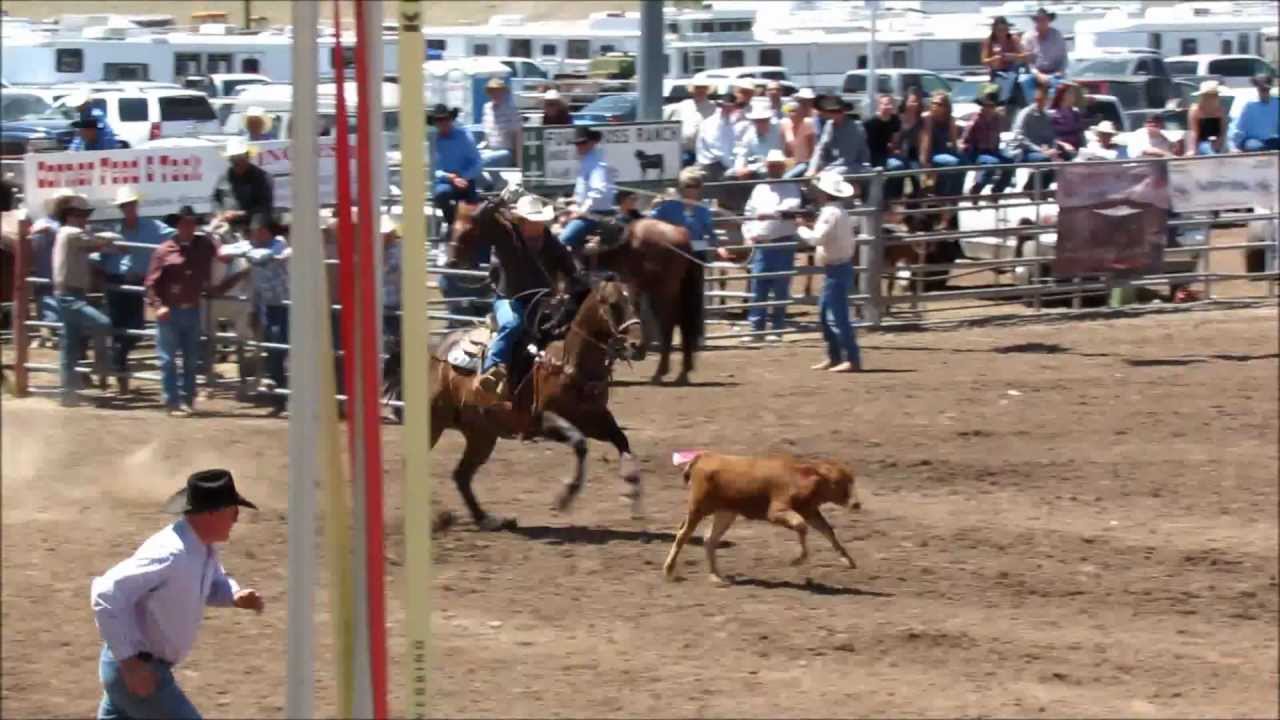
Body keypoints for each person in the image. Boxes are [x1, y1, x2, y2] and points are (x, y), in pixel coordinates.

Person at [90, 468, 264, 720]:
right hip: (140, 670)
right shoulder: (171, 554)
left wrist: (233, 594)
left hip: (134, 669)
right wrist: (130, 665)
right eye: (233, 510)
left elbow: (211, 582)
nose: (237, 518)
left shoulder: (203, 547)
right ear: (212, 513)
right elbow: (106, 593)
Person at [475, 193, 581, 402]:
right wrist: (499, 200)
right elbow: (480, 217)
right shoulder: (506, 236)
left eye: (540, 220)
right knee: (513, 324)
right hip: (509, 299)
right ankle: (491, 371)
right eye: (534, 220)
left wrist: (575, 287)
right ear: (522, 222)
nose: (538, 225)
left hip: (542, 303)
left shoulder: (550, 241)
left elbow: (569, 268)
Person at [145, 205, 233, 418]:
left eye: (192, 223)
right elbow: (150, 284)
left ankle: (186, 400)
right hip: (170, 310)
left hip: (192, 308)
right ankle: (173, 401)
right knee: (168, 359)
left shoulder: (204, 244)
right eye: (185, 223)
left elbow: (223, 256)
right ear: (177, 225)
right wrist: (158, 305)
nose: (189, 227)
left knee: (191, 358)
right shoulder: (164, 250)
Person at [95, 186, 174, 395]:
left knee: (134, 329)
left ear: (136, 205)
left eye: (130, 204)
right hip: (116, 282)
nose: (128, 208)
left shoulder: (153, 228)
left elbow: (174, 236)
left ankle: (116, 362)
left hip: (135, 282)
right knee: (119, 329)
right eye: (125, 205)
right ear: (121, 208)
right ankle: (121, 378)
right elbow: (98, 256)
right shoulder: (112, 232)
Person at [52, 193, 122, 407]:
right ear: (71, 215)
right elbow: (95, 241)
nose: (85, 219)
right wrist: (111, 237)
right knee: (102, 323)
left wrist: (103, 242)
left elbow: (92, 244)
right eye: (82, 215)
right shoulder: (71, 233)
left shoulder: (67, 234)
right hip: (70, 295)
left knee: (69, 346)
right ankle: (101, 365)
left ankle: (68, 392)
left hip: (69, 294)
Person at [220, 213, 291, 414]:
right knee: (272, 347)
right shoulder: (250, 245)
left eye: (259, 231)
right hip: (265, 306)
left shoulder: (279, 243)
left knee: (278, 347)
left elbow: (264, 256)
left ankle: (280, 392)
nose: (256, 235)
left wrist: (245, 252)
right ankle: (278, 396)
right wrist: (241, 250)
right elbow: (223, 251)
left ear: (268, 232)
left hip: (283, 304)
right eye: (254, 232)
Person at [797, 172, 862, 373]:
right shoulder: (838, 212)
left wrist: (801, 228)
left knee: (836, 315)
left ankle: (850, 358)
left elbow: (817, 239)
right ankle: (836, 356)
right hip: (837, 267)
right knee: (828, 314)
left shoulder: (830, 213)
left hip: (836, 268)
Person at [742, 149, 802, 343]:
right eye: (771, 165)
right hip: (762, 242)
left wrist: (769, 214)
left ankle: (776, 328)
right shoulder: (759, 188)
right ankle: (756, 328)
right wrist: (749, 233)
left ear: (783, 167)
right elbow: (748, 212)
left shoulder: (791, 186)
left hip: (782, 240)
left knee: (779, 286)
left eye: (777, 165)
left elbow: (791, 207)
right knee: (759, 286)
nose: (773, 168)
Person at [558, 126, 616, 253]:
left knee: (563, 240)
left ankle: (574, 270)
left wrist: (581, 211)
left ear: (592, 142)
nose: (579, 146)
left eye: (583, 143)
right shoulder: (587, 161)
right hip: (587, 213)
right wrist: (570, 200)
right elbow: (584, 191)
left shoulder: (596, 163)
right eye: (577, 143)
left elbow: (598, 191)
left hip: (594, 215)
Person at [428, 103, 482, 231]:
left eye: (445, 119)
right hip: (445, 183)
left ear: (450, 119)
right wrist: (450, 177)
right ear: (435, 123)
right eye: (438, 120)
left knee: (476, 215)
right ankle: (453, 226)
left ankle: (467, 230)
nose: (442, 123)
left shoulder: (464, 136)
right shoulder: (433, 140)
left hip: (466, 181)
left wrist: (463, 176)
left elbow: (477, 163)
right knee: (441, 194)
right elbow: (434, 169)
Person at [1011, 83, 1067, 194]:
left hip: (1044, 151)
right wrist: (1039, 150)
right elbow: (1019, 137)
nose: (1045, 101)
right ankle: (1029, 188)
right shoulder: (1025, 113)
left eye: (1047, 99)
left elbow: (1052, 137)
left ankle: (1043, 189)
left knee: (1063, 159)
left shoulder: (1047, 116)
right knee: (1045, 160)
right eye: (1043, 98)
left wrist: (1054, 149)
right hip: (1026, 151)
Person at [960, 89, 1014, 199]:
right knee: (991, 163)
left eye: (992, 106)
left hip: (994, 151)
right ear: (982, 106)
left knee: (1010, 163)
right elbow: (965, 140)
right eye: (987, 106)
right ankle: (976, 190)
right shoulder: (975, 120)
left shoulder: (997, 119)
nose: (989, 109)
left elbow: (1006, 128)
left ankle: (996, 192)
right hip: (977, 152)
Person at [214, 138, 274, 228]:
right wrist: (219, 214)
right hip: (227, 227)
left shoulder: (262, 178)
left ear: (247, 157)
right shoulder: (226, 176)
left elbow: (264, 208)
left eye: (239, 158)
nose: (236, 162)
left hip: (254, 229)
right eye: (233, 159)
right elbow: (216, 199)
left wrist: (239, 214)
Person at [807, 95, 871, 179]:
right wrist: (811, 169)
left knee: (826, 177)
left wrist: (826, 171)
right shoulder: (829, 125)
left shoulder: (855, 127)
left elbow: (847, 159)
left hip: (856, 167)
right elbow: (820, 149)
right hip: (834, 167)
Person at [919, 90, 964, 199]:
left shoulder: (950, 119)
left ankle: (955, 196)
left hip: (944, 151)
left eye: (939, 104)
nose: (935, 106)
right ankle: (946, 195)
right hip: (933, 153)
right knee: (954, 163)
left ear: (946, 107)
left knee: (964, 163)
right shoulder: (928, 118)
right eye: (933, 103)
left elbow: (953, 143)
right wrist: (925, 162)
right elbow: (926, 141)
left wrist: (959, 151)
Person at [1018, 8, 1067, 104]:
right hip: (1034, 73)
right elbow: (1028, 61)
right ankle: (1033, 108)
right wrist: (1038, 74)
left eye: (1044, 20)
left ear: (1049, 21)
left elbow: (1064, 57)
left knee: (1060, 87)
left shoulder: (1057, 35)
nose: (1042, 23)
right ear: (1035, 21)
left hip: (1054, 73)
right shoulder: (1028, 37)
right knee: (1024, 81)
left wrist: (1060, 71)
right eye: (1039, 20)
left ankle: (1053, 110)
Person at [695, 93, 745, 181]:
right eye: (724, 107)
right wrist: (732, 168)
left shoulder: (731, 123)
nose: (727, 109)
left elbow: (735, 146)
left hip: (726, 164)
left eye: (731, 107)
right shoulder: (710, 123)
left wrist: (737, 166)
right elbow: (717, 151)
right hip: (711, 165)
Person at [733, 98, 785, 179]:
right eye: (757, 121)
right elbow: (742, 155)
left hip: (775, 171)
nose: (760, 123)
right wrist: (740, 169)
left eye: (764, 120)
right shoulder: (749, 134)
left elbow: (776, 159)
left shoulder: (778, 131)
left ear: (769, 119)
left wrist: (752, 168)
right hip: (756, 173)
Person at [1230, 74, 1280, 152]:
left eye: (1266, 89)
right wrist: (1237, 146)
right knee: (1252, 145)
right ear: (1257, 88)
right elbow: (1240, 130)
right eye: (1261, 88)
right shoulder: (1249, 106)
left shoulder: (1277, 104)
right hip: (1253, 142)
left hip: (1272, 141)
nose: (1264, 91)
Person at [480, 77, 522, 168]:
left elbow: (518, 136)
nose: (495, 94)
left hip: (507, 152)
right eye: (492, 91)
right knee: (471, 159)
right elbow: (486, 136)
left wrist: (519, 164)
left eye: (498, 91)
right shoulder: (486, 108)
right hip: (490, 150)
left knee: (484, 160)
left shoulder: (511, 109)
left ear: (503, 92)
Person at [982, 16, 1025, 105]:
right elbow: (984, 60)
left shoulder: (1013, 39)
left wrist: (1013, 56)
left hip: (1012, 72)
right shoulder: (989, 41)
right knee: (985, 96)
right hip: (995, 73)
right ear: (994, 29)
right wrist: (993, 59)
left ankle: (1003, 101)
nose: (1002, 33)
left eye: (1004, 29)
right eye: (999, 30)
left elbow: (1024, 56)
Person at [673, 78, 716, 166]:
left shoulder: (714, 107)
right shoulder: (683, 105)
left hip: (705, 153)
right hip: (684, 152)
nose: (700, 90)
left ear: (707, 90)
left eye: (703, 88)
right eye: (697, 88)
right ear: (693, 90)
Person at [1186, 80, 1228, 156]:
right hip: (1201, 143)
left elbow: (1223, 131)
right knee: (1205, 147)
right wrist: (1191, 149)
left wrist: (1218, 143)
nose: (1213, 97)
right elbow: (1193, 132)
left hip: (1218, 142)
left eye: (1215, 95)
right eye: (1209, 95)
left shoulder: (1220, 110)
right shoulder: (1195, 110)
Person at [1049, 82, 1086, 158]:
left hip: (1078, 151)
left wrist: (1085, 148)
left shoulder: (1076, 114)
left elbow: (1081, 134)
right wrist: (1063, 145)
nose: (1073, 96)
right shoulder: (1053, 115)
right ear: (1063, 95)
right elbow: (1049, 138)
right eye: (1070, 93)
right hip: (1061, 152)